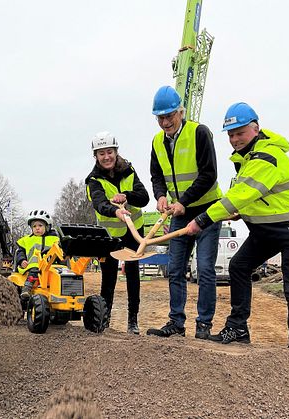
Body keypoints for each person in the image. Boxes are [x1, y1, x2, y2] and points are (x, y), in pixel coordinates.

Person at [185, 102, 289, 357]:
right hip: (268, 229)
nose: (235, 139)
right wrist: (242, 213)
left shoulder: (266, 157)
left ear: (256, 128)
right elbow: (249, 196)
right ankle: (238, 328)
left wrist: (202, 220)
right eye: (231, 135)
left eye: (240, 133)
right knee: (239, 266)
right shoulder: (245, 160)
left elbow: (242, 195)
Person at [146, 86, 223, 339]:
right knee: (176, 268)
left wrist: (185, 201)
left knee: (205, 268)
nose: (165, 122)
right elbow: (157, 175)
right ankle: (176, 323)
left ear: (181, 111)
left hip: (207, 209)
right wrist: (160, 196)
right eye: (160, 118)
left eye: (169, 116)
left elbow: (209, 174)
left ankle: (204, 326)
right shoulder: (157, 141)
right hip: (179, 212)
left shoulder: (199, 133)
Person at [85, 131, 149, 334]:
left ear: (116, 152)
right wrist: (115, 211)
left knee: (132, 274)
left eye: (109, 152)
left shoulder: (129, 170)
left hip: (133, 232)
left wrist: (127, 196)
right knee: (109, 276)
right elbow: (100, 204)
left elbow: (144, 197)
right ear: (95, 156)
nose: (106, 157)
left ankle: (133, 321)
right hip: (109, 235)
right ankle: (105, 319)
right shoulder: (93, 180)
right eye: (101, 153)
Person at [16, 209, 59, 300]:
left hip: (51, 266)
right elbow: (20, 252)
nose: (37, 228)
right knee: (35, 269)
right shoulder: (26, 240)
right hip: (32, 266)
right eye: (34, 226)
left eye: (40, 225)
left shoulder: (54, 239)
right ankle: (27, 288)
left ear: (47, 227)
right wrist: (22, 260)